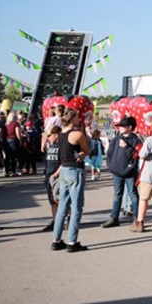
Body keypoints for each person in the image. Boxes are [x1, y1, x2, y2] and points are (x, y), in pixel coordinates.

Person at [51, 107, 91, 252]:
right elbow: (87, 150)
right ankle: (72, 241)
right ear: (73, 118)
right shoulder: (77, 134)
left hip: (64, 170)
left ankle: (56, 240)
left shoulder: (60, 134)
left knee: (63, 206)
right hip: (75, 170)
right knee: (76, 207)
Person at [102, 117, 142, 229]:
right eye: (119, 126)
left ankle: (137, 218)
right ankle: (114, 217)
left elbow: (138, 154)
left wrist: (127, 148)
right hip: (117, 171)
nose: (120, 128)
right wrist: (110, 165)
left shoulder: (135, 140)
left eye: (123, 126)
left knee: (133, 194)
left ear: (129, 127)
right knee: (117, 194)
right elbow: (109, 153)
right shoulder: (116, 139)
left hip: (130, 172)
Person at [42, 125, 62, 232]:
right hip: (49, 175)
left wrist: (56, 175)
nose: (48, 138)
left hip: (56, 176)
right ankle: (55, 220)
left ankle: (67, 218)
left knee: (59, 199)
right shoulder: (50, 146)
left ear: (56, 135)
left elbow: (64, 163)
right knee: (52, 201)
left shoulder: (61, 146)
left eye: (50, 136)